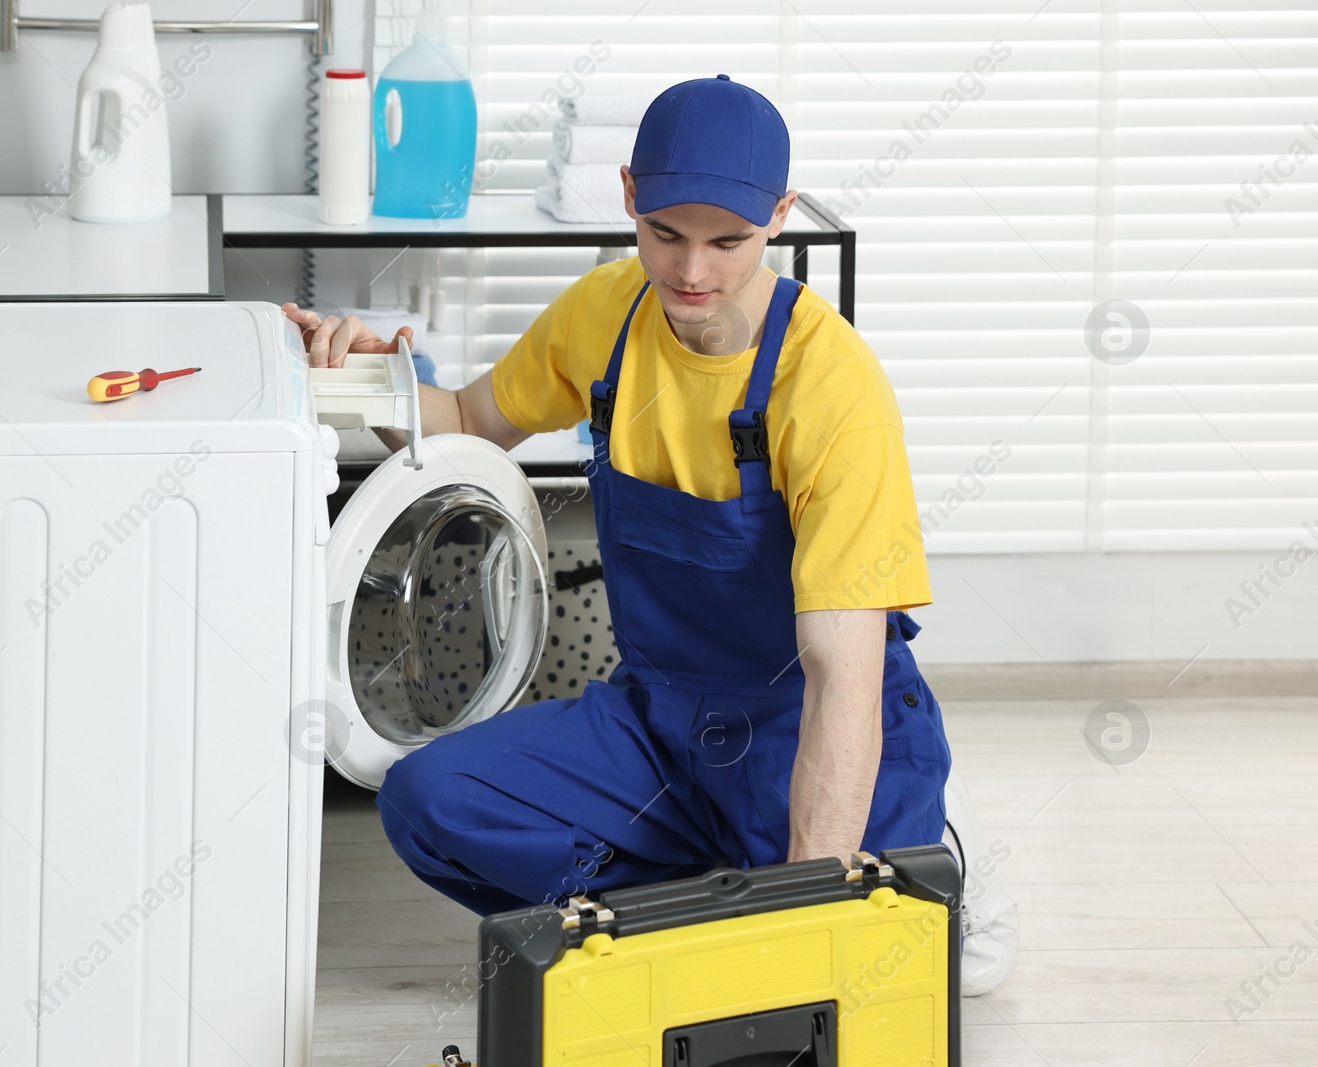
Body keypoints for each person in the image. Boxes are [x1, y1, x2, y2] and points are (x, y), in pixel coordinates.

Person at [284, 74, 1017, 995]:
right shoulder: (609, 316)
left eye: (729, 242)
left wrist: (802, 920)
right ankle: (702, 920)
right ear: (630, 194)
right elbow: (467, 420)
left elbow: (844, 674)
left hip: (807, 725)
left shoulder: (831, 389)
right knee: (428, 801)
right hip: (663, 721)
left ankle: (935, 847)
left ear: (780, 217)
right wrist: (358, 381)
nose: (693, 272)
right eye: (666, 233)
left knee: (853, 981)